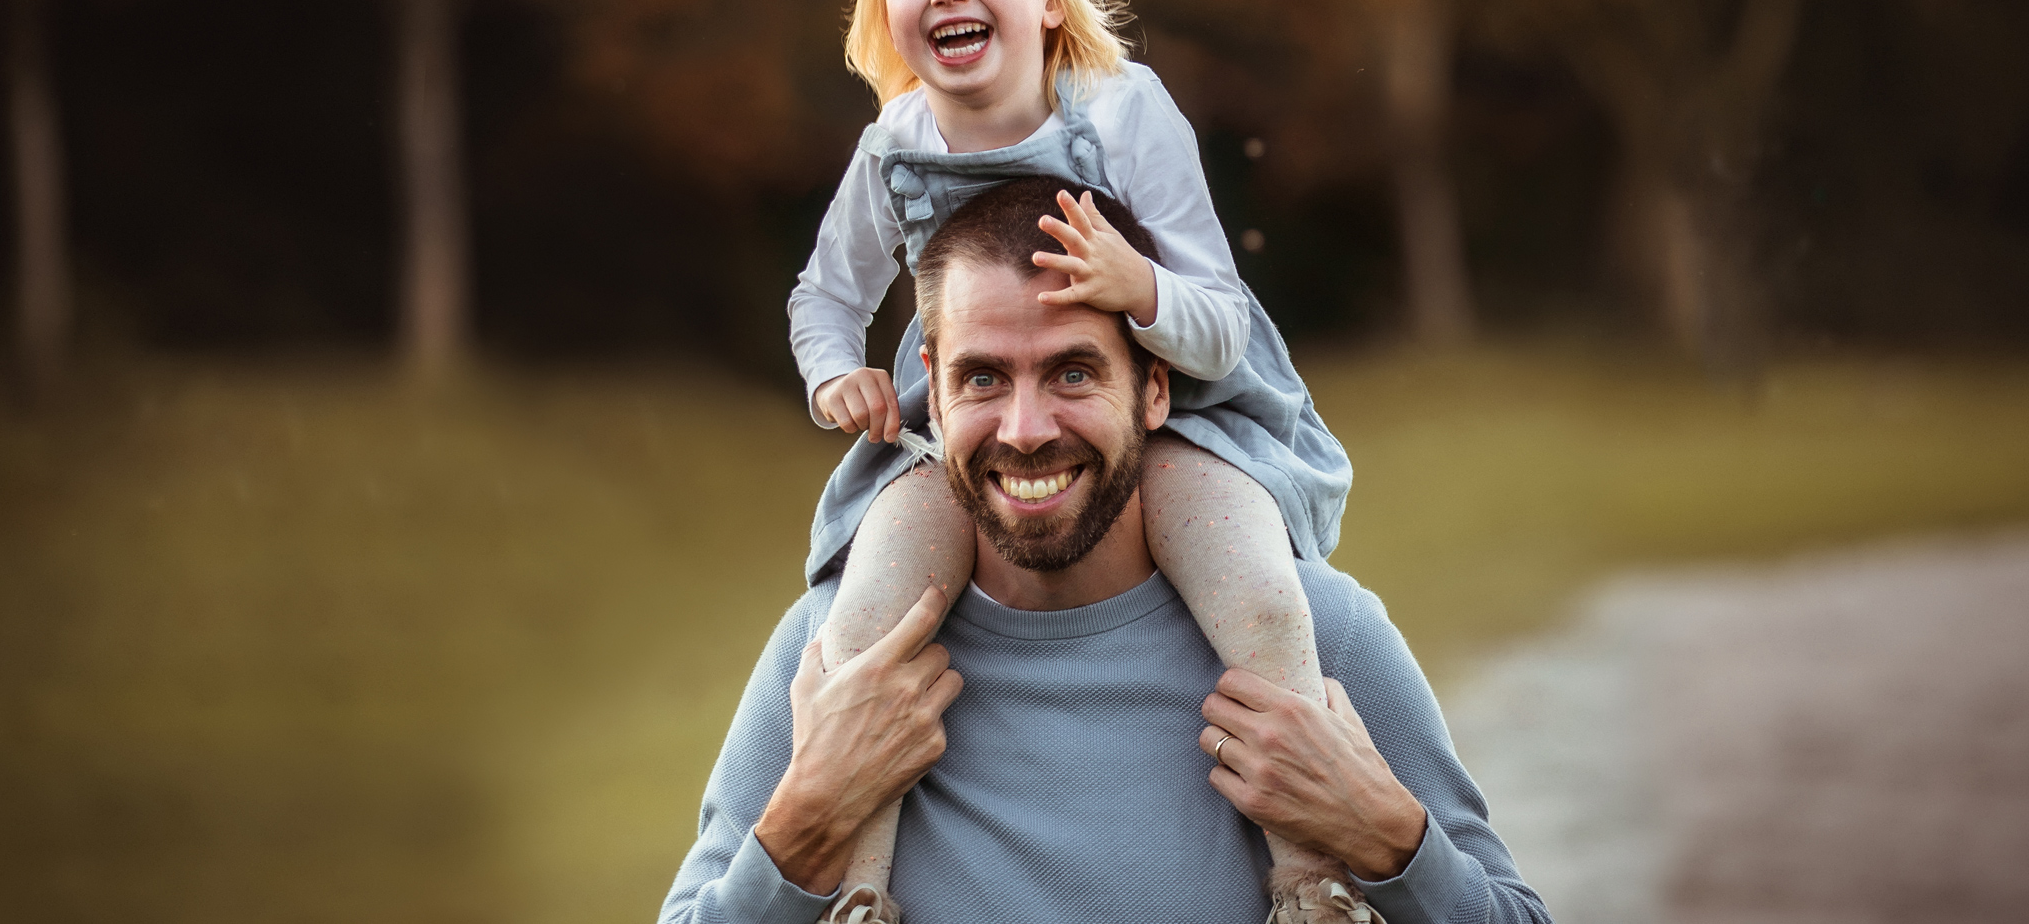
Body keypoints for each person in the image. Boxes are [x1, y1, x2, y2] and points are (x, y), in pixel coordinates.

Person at [662, 177, 1551, 924]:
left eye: (1073, 372)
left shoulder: (1316, 638)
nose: (1025, 428)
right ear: (931, 388)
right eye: (982, 378)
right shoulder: (833, 665)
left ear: (1155, 387)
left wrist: (1391, 837)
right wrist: (806, 823)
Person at [788, 0, 1356, 921]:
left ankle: (1305, 878)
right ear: (885, 17)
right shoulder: (893, 147)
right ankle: (858, 898)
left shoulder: (1119, 109)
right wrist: (834, 379)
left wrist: (1135, 285)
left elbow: (1221, 328)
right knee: (861, 620)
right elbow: (824, 297)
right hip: (969, 426)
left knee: (1259, 594)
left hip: (1168, 406)